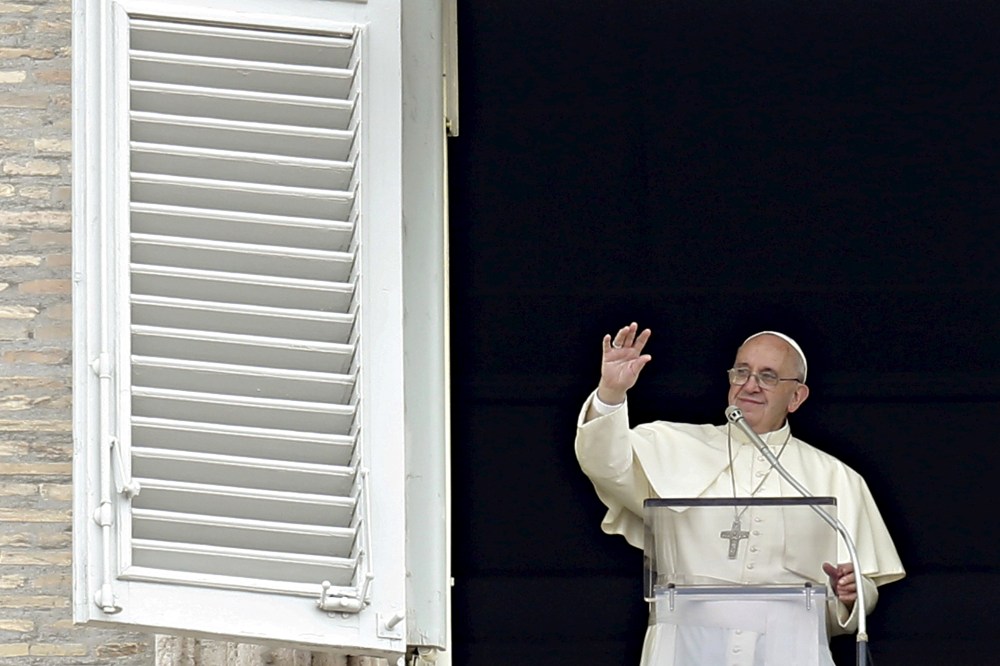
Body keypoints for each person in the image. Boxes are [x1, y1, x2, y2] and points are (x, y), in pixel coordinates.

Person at [575, 322, 905, 666]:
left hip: (791, 650)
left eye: (768, 376)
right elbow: (605, 463)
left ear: (796, 397)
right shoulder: (673, 445)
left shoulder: (834, 477)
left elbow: (860, 585)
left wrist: (853, 594)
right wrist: (610, 394)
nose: (750, 385)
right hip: (685, 646)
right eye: (742, 372)